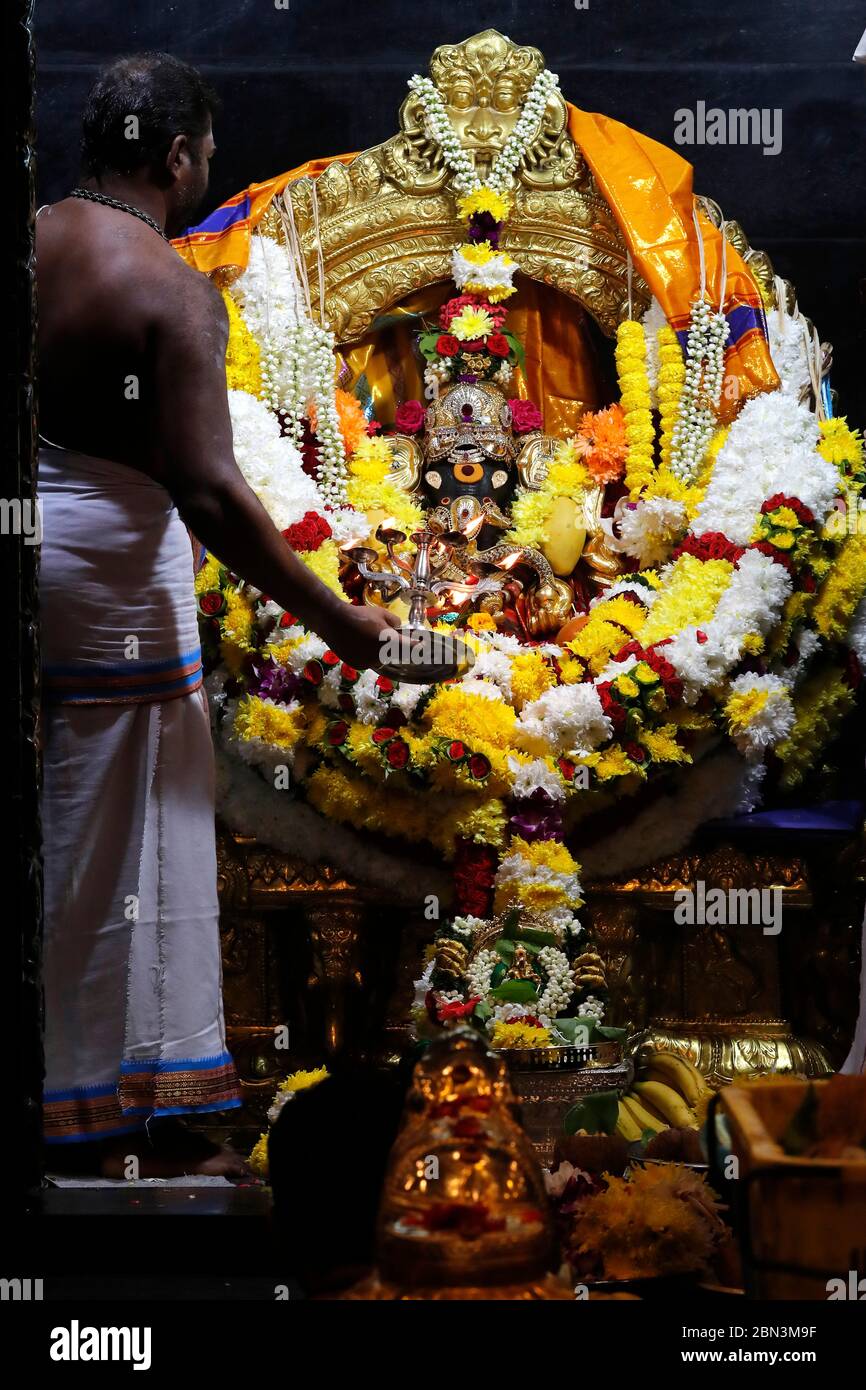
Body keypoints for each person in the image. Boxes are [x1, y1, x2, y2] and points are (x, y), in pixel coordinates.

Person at [36, 52, 400, 1175]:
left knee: (62, 823)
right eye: (203, 155)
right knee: (110, 840)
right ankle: (86, 1113)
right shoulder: (168, 286)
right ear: (177, 154)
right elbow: (206, 490)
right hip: (111, 585)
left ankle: (105, 1097)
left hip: (36, 555)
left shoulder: (37, 237)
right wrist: (342, 622)